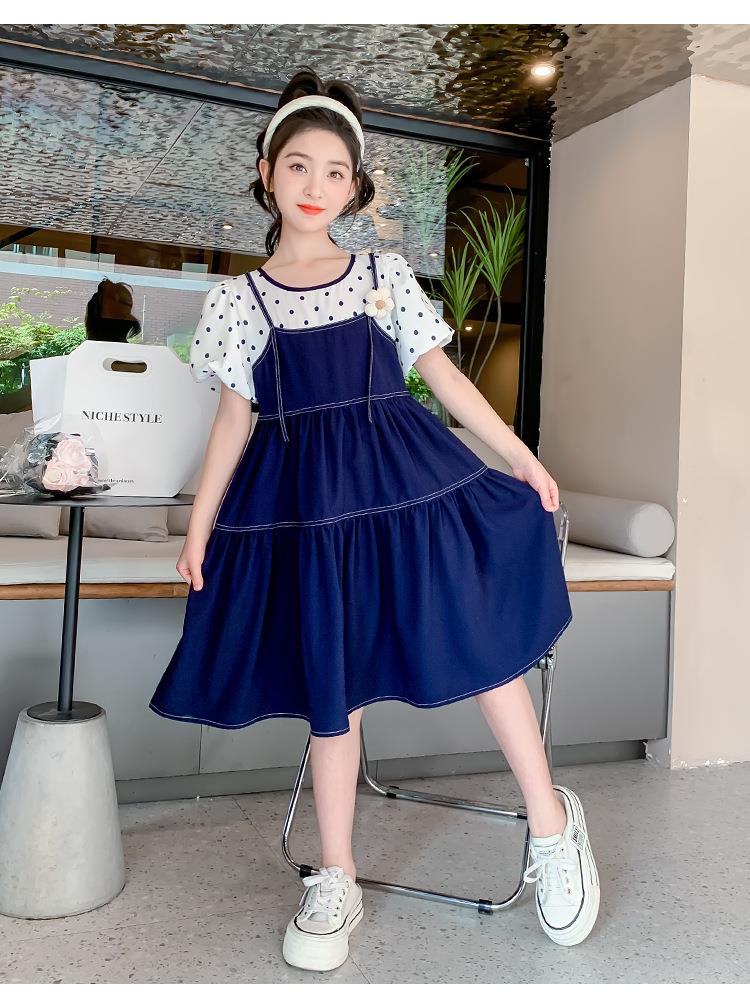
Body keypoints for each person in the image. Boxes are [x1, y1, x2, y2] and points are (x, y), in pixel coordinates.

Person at [148, 67, 600, 971]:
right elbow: (232, 421)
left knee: (476, 638)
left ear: (354, 186)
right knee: (332, 686)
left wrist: (519, 456)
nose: (316, 186)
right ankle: (337, 875)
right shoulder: (237, 300)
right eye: (299, 166)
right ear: (268, 173)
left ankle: (553, 826)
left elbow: (442, 377)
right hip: (308, 509)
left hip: (404, 486)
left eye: (335, 171)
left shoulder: (382, 274)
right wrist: (198, 529)